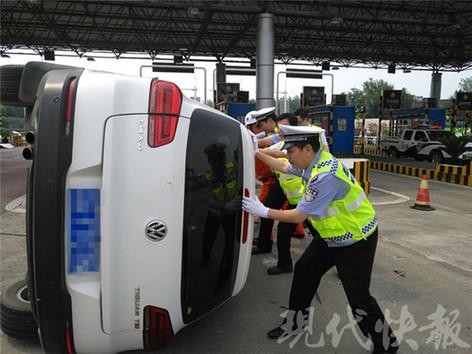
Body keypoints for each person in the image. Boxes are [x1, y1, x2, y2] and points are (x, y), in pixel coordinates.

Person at [243, 125, 398, 354]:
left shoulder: (324, 176)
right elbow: (283, 166)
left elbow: (298, 215)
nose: (287, 155)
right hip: (332, 237)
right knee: (305, 270)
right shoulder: (316, 160)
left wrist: (263, 211)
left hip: (356, 241)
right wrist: (255, 151)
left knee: (359, 299)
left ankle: (387, 345)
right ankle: (295, 324)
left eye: (291, 151)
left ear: (307, 149)